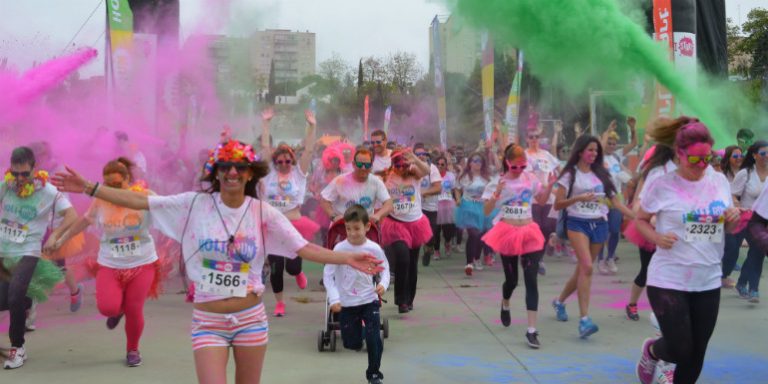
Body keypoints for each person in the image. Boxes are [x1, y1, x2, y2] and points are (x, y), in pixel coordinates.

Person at [51, 139, 384, 384]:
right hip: (208, 321)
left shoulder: (263, 213)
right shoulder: (194, 205)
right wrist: (92, 188)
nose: (233, 172)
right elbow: (141, 201)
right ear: (216, 172)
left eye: (240, 167)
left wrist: (348, 257)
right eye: (225, 167)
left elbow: (303, 248)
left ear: (251, 173)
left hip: (251, 318)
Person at [634, 117, 740, 384]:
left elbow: (722, 228)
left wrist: (732, 220)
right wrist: (656, 237)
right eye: (695, 160)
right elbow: (639, 219)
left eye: (708, 158)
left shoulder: (718, 182)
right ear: (679, 154)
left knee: (697, 353)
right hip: (669, 277)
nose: (702, 166)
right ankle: (652, 350)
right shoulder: (662, 183)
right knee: (681, 349)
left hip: (707, 278)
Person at [52, 158, 159, 367]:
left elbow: (170, 208)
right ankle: (117, 311)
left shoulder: (144, 196)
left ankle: (133, 350)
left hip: (142, 262)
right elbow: (84, 221)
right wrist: (61, 239)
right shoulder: (101, 200)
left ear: (128, 179)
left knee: (134, 308)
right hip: (110, 263)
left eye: (117, 184)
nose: (112, 189)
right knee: (107, 308)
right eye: (108, 184)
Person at [0, 146, 77, 369]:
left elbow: (71, 216)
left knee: (14, 297)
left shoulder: (48, 191)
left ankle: (18, 348)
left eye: (24, 173)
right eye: (15, 174)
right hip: (4, 251)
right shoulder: (6, 186)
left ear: (34, 169)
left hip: (29, 250)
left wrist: (56, 235)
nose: (20, 179)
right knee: (6, 301)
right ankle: (27, 297)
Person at [551, 135, 633, 339]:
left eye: (596, 151)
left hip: (599, 223)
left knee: (582, 270)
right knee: (587, 267)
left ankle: (559, 301)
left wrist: (638, 217)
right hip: (577, 223)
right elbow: (557, 204)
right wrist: (578, 198)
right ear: (580, 151)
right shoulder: (570, 174)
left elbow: (616, 202)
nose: (594, 154)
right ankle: (584, 320)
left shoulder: (602, 174)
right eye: (590, 150)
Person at [482, 144, 553, 348]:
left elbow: (540, 201)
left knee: (531, 279)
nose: (520, 170)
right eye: (515, 167)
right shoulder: (498, 182)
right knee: (512, 280)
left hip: (529, 231)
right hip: (507, 232)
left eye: (523, 166)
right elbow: (487, 211)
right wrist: (496, 195)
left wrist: (548, 187)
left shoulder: (530, 178)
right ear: (507, 163)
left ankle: (531, 330)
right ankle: (505, 302)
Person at [259, 110, 319, 317]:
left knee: (292, 267)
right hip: (274, 225)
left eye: (287, 161)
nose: (284, 164)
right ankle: (280, 302)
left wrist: (312, 126)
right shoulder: (269, 174)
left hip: (294, 224)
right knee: (276, 267)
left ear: (292, 162)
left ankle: (298, 272)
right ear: (275, 162)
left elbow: (309, 151)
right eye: (280, 161)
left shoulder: (299, 174)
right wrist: (266, 124)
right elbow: (266, 147)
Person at [324, 205, 389, 384]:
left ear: (367, 227)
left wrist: (383, 284)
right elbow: (328, 274)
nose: (352, 233)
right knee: (351, 343)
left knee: (374, 336)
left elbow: (385, 269)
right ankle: (361, 335)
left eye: (356, 228)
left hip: (369, 300)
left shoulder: (374, 248)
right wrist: (334, 298)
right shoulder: (339, 249)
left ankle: (374, 374)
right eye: (348, 229)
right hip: (347, 304)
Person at [623, 144, 676, 322]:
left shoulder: (687, 173)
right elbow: (638, 204)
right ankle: (632, 303)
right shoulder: (653, 173)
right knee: (647, 270)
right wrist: (652, 218)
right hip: (650, 231)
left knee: (671, 271)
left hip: (674, 233)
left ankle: (667, 308)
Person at [381, 149, 432, 313]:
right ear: (393, 164)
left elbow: (427, 171)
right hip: (396, 224)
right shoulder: (386, 178)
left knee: (412, 263)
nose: (401, 168)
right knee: (402, 258)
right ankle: (401, 300)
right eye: (398, 165)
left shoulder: (414, 174)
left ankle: (409, 299)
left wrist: (415, 159)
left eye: (404, 164)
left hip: (416, 223)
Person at [597, 118, 637, 275]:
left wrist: (632, 129)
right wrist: (607, 129)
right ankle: (600, 259)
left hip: (616, 198)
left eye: (614, 144)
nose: (612, 146)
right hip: (601, 198)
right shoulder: (597, 156)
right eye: (609, 143)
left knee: (614, 230)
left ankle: (611, 257)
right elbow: (600, 145)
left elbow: (633, 144)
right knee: (602, 230)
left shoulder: (617, 156)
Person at [732, 141, 768, 302]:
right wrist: (738, 206)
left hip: (764, 219)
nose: (766, 156)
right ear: (754, 155)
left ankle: (746, 285)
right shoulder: (745, 173)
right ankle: (750, 287)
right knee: (755, 252)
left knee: (757, 252)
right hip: (748, 219)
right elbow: (733, 195)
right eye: (763, 153)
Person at [320, 148, 393, 223]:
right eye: (360, 164)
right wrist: (333, 216)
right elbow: (324, 200)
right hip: (342, 225)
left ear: (371, 166)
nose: (363, 168)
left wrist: (378, 215)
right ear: (353, 164)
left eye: (367, 165)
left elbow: (389, 203)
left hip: (364, 228)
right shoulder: (340, 180)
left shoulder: (376, 182)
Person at [455, 152, 494, 276]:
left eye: (480, 161)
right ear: (470, 162)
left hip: (483, 207)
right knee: (473, 233)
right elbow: (456, 188)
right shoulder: (464, 176)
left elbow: (493, 190)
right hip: (468, 206)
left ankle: (477, 258)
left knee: (481, 235)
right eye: (475, 161)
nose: (477, 163)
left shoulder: (487, 177)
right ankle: (469, 263)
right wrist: (458, 198)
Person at [414, 143, 442, 266]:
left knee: (431, 235)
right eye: (418, 154)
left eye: (423, 154)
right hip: (415, 207)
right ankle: (413, 255)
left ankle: (428, 249)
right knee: (415, 234)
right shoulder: (409, 167)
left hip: (430, 207)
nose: (421, 157)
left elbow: (438, 188)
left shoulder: (433, 168)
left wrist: (423, 192)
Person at [434, 154, 457, 258]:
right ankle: (436, 250)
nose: (440, 166)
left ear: (446, 165)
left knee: (448, 229)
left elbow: (454, 189)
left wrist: (457, 199)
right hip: (435, 205)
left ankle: (447, 242)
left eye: (442, 164)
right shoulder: (432, 175)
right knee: (436, 230)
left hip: (448, 205)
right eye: (438, 164)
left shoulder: (450, 175)